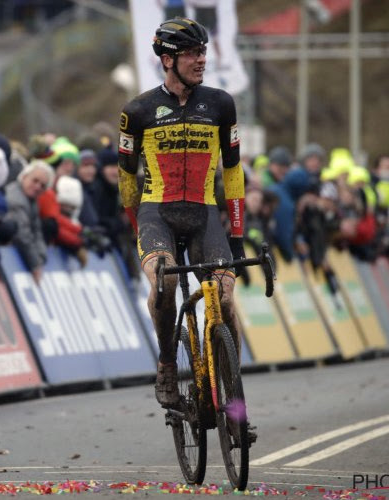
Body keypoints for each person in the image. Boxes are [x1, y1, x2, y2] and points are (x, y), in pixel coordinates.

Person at [118, 18, 248, 414]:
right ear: (168, 59)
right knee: (164, 283)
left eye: (204, 52)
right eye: (193, 53)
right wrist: (136, 229)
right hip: (157, 212)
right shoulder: (137, 111)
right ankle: (167, 363)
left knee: (224, 298)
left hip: (205, 213)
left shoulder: (221, 103)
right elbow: (126, 178)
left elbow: (233, 171)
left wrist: (238, 231)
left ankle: (233, 393)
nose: (202, 60)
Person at [3, 159, 53, 283]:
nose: (37, 187)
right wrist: (35, 264)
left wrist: (41, 257)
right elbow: (23, 234)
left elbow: (36, 230)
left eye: (42, 185)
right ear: (24, 177)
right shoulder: (16, 198)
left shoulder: (32, 200)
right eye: (35, 181)